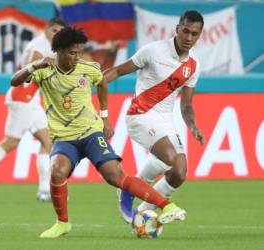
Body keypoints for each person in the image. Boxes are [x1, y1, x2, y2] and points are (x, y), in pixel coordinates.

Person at [11, 26, 187, 238]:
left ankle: (167, 206)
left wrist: (104, 116)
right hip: (64, 138)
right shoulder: (43, 70)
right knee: (57, 171)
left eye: (79, 52)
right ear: (58, 50)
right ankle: (62, 223)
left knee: (115, 175)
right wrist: (33, 66)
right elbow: (15, 81)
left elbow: (102, 83)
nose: (77, 57)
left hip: (90, 133)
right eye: (72, 53)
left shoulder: (89, 69)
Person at [103, 10, 205, 224]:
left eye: (194, 34)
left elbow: (186, 105)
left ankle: (141, 213)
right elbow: (119, 71)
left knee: (179, 172)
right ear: (177, 29)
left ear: (199, 35)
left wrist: (193, 126)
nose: (188, 38)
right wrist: (99, 81)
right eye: (185, 31)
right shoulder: (154, 51)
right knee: (168, 157)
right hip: (140, 114)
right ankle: (132, 188)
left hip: (165, 119)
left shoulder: (193, 65)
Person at [0, 18, 66, 202]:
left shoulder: (47, 45)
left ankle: (44, 190)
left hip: (32, 99)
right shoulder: (40, 46)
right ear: (47, 29)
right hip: (22, 97)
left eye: (60, 32)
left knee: (48, 141)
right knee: (11, 141)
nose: (56, 35)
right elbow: (31, 69)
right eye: (54, 31)